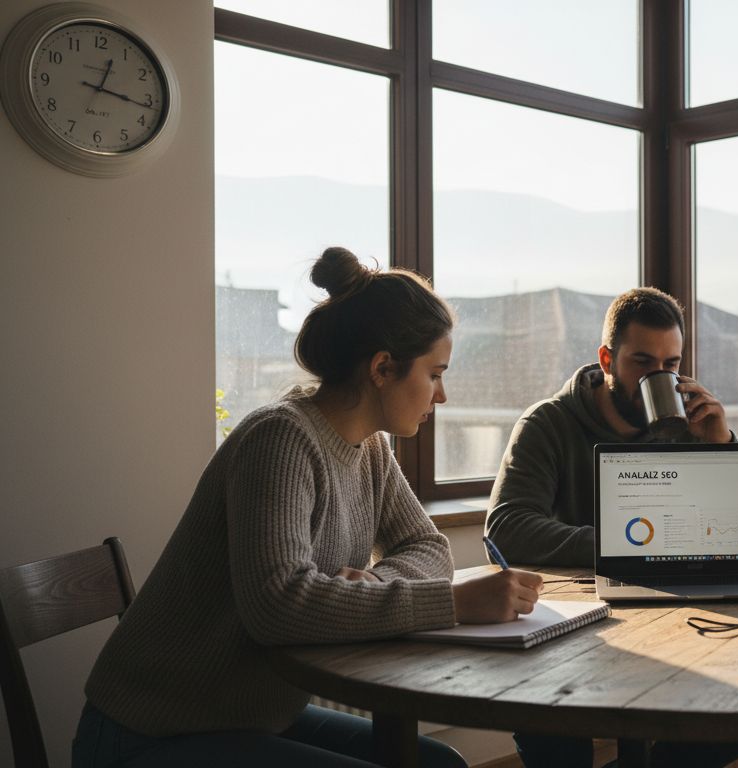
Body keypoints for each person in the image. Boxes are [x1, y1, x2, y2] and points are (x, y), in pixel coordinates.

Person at [74, 247, 543, 768]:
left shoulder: (369, 448)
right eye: (435, 374)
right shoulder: (279, 439)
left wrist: (376, 582)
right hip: (150, 732)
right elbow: (278, 606)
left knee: (442, 765)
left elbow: (428, 546)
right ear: (383, 368)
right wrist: (451, 604)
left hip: (248, 718)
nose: (442, 396)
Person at [486, 286, 738, 768]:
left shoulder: (686, 428)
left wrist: (721, 445)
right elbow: (507, 527)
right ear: (607, 359)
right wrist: (625, 547)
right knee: (551, 731)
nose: (659, 376)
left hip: (674, 617)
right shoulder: (547, 424)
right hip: (572, 626)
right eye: (643, 363)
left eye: (671, 365)